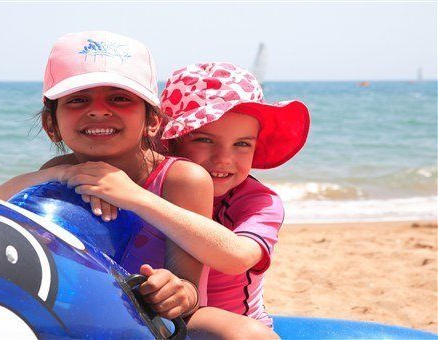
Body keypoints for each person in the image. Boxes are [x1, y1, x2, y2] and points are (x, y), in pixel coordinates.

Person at [59, 62, 309, 337]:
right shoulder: (157, 179)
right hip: (146, 309)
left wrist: (138, 198)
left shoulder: (258, 201)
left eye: (242, 144)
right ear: (171, 141)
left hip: (216, 319)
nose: (224, 158)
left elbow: (237, 257)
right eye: (204, 140)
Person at [0, 31, 208, 325]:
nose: (97, 111)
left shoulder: (181, 179)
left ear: (153, 120)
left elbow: (190, 288)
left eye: (119, 98)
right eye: (78, 100)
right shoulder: (58, 172)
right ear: (51, 124)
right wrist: (60, 174)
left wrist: (175, 291)